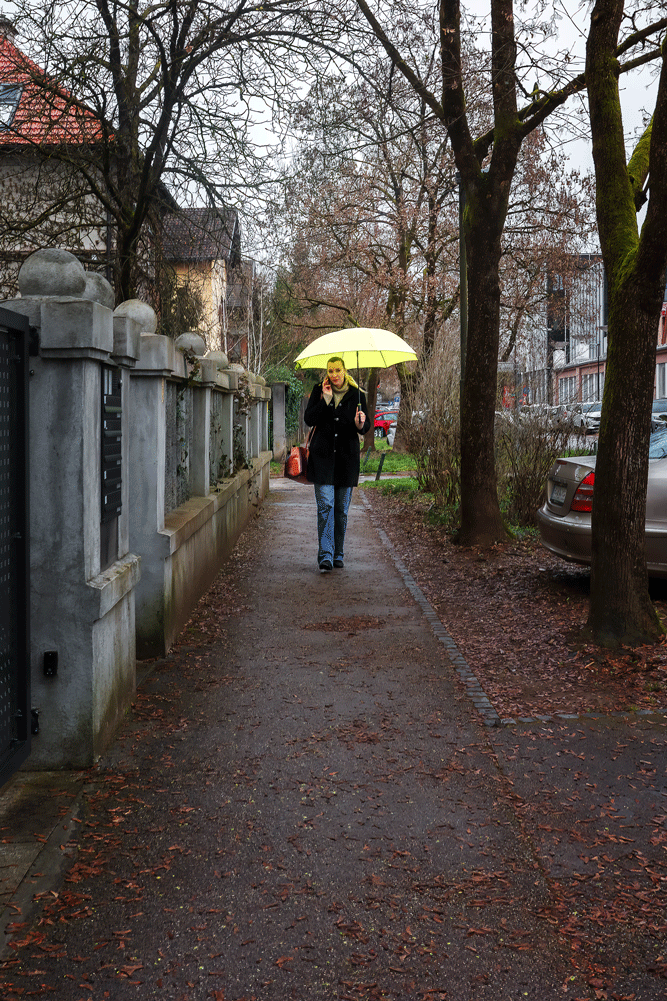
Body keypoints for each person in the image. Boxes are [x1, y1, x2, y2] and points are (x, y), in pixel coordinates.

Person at [304, 356, 371, 572]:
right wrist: (325, 399)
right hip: (322, 458)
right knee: (325, 506)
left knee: (341, 510)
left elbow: (366, 425)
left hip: (346, 459)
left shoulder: (357, 394)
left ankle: (338, 552)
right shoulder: (319, 390)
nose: (334, 374)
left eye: (337, 370)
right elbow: (309, 419)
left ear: (344, 371)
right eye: (330, 370)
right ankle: (326, 556)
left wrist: (360, 424)